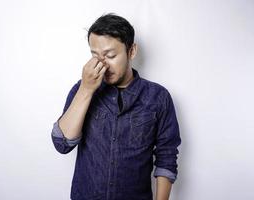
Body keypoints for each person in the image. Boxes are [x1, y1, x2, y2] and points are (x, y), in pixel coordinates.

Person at [51, 13, 181, 200]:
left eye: (110, 55)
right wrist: (86, 90)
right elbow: (62, 144)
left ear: (132, 51)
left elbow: (166, 156)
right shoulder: (81, 90)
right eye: (95, 55)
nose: (102, 63)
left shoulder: (158, 97)